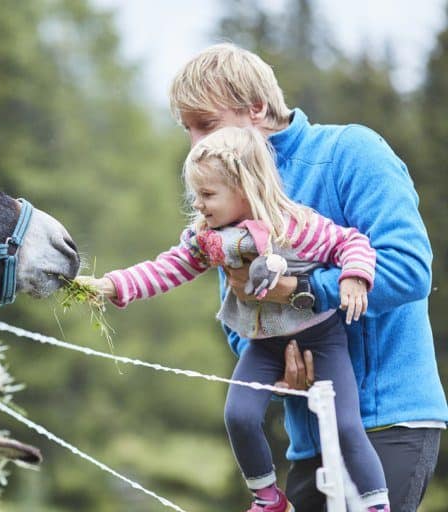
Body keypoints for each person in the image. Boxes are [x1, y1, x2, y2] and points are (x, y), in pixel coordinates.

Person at [164, 43, 447, 512]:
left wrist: (304, 292)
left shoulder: (352, 152)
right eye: (187, 130)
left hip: (389, 424)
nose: (196, 143)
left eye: (207, 125)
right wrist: (279, 357)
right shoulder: (226, 191)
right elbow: (240, 322)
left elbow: (409, 268)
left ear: (256, 108)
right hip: (309, 438)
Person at [79, 126, 389, 512]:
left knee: (345, 426)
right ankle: (269, 499)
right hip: (264, 343)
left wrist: (355, 276)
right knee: (238, 415)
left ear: (244, 186)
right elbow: (165, 269)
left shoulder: (295, 227)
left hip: (322, 337)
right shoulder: (209, 239)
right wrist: (112, 285)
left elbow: (351, 242)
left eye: (208, 194)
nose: (199, 204)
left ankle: (376, 505)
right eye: (197, 195)